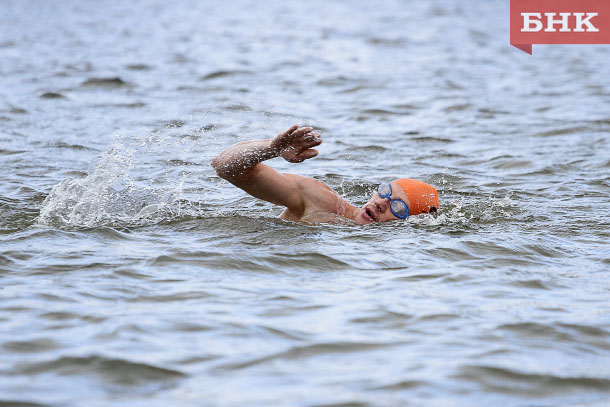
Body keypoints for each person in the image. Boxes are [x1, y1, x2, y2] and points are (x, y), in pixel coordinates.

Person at [211, 125, 439, 225]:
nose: (381, 203)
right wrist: (270, 149)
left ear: (412, 223)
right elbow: (223, 165)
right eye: (384, 192)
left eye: (398, 207)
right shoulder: (321, 201)